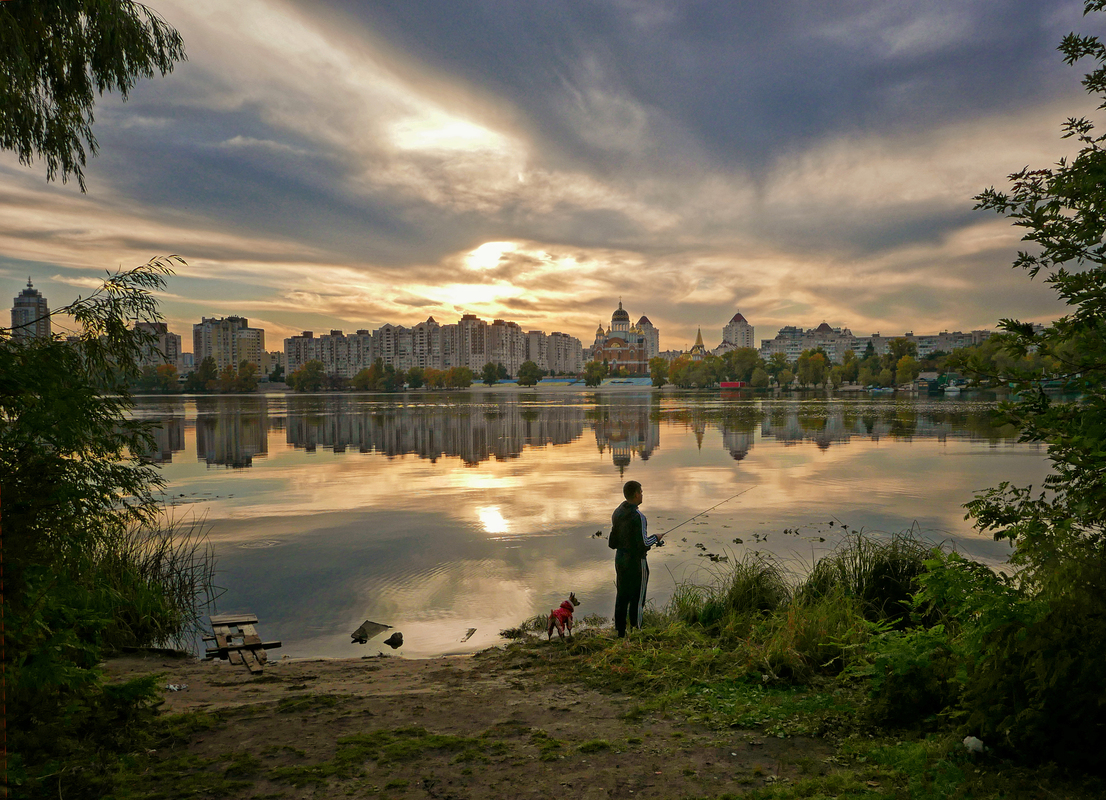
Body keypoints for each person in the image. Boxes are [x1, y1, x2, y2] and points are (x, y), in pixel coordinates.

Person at [609, 480, 665, 637]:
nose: (642, 494)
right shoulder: (639, 517)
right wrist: (657, 537)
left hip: (620, 560)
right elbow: (644, 542)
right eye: (641, 492)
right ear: (636, 494)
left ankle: (620, 631)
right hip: (636, 563)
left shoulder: (617, 512)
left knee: (622, 596)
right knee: (638, 599)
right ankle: (637, 629)